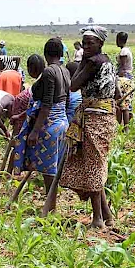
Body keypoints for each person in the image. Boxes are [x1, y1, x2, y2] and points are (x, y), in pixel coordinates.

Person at [47, 26, 120, 229]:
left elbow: (73, 85)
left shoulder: (93, 63)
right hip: (102, 116)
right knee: (92, 163)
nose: (87, 46)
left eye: (91, 42)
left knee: (93, 166)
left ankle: (97, 219)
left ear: (100, 44)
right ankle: (106, 215)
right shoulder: (105, 60)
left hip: (95, 118)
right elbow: (117, 90)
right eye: (85, 42)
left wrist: (82, 64)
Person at [13, 41, 71, 195]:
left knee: (48, 168)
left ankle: (50, 202)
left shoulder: (49, 72)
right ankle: (50, 198)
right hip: (62, 121)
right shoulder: (64, 71)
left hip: (49, 124)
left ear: (46, 54)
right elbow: (67, 99)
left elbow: (47, 104)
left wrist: (35, 131)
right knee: (54, 164)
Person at [115, 32, 134, 126]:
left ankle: (124, 127)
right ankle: (125, 127)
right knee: (125, 103)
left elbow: (122, 67)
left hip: (124, 77)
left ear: (119, 40)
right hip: (128, 76)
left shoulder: (123, 52)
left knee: (123, 103)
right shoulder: (127, 50)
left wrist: (116, 77)